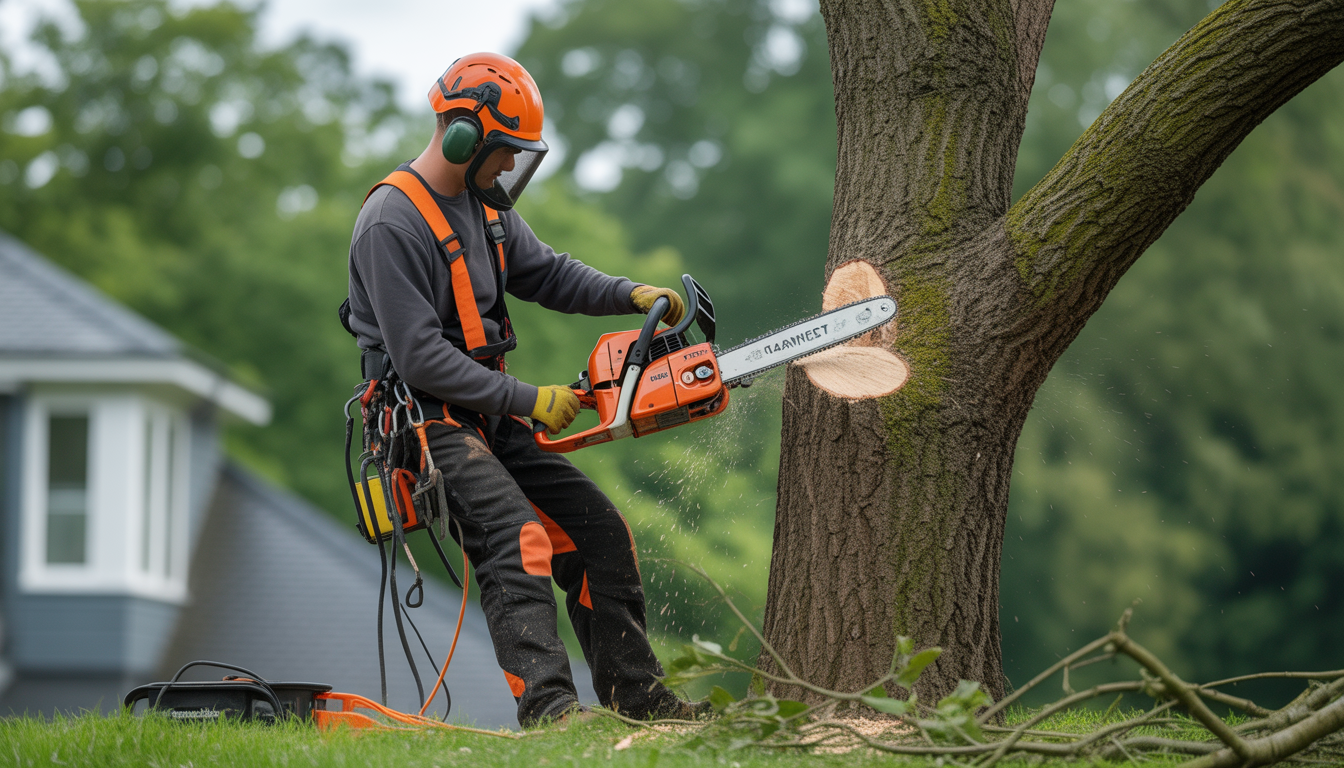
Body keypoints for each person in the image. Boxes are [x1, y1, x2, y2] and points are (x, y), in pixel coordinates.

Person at [344, 52, 699, 727]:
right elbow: (419, 359)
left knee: (600, 530)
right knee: (518, 538)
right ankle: (553, 715)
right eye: (502, 151)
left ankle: (641, 703)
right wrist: (531, 400)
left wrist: (629, 293)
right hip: (427, 426)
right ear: (462, 135)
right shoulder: (393, 223)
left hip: (487, 415)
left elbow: (549, 274)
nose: (509, 166)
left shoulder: (486, 209)